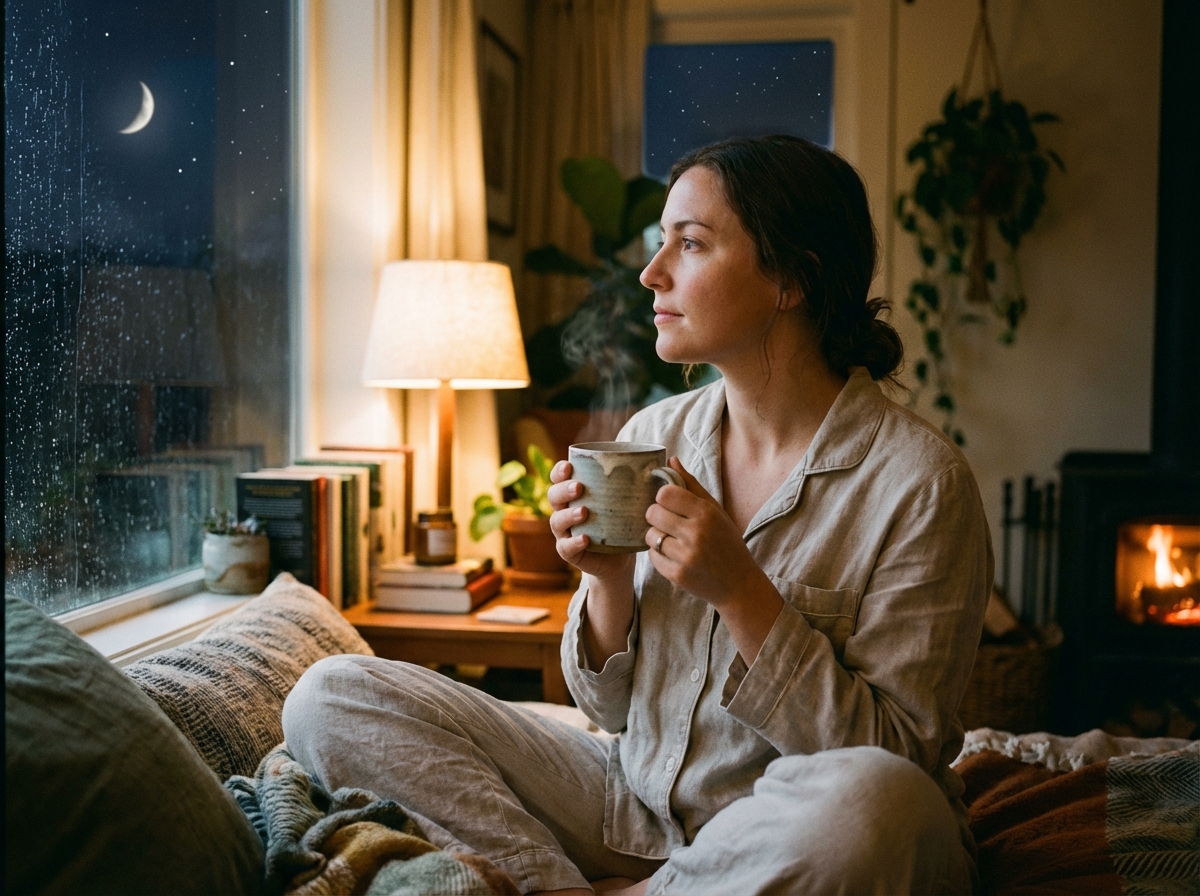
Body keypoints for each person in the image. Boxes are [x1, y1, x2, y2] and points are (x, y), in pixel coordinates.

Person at [283, 135, 993, 895]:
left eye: (691, 244)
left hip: (782, 829)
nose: (652, 273)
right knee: (329, 696)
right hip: (628, 801)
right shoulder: (655, 437)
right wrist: (607, 582)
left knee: (883, 805)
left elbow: (894, 752)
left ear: (791, 277)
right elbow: (606, 709)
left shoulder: (920, 484)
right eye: (662, 242)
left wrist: (742, 593)